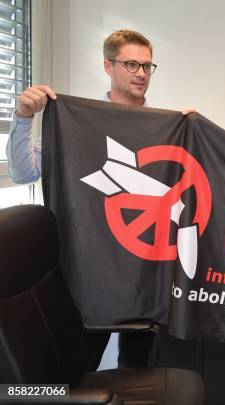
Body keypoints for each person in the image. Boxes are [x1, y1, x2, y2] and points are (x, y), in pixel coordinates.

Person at [6, 29, 161, 369]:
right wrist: (23, 117)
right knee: (82, 365)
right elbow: (23, 172)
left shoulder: (164, 128)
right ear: (108, 66)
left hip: (143, 265)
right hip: (87, 266)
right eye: (132, 64)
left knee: (137, 368)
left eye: (148, 66)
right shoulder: (77, 124)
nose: (141, 73)